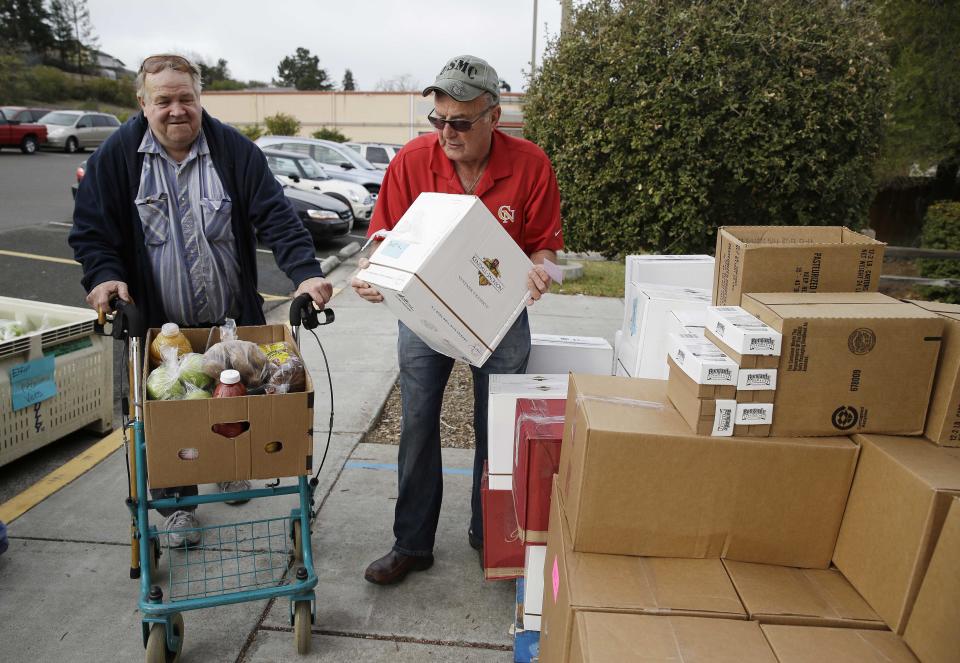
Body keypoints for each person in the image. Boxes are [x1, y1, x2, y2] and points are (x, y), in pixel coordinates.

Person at [69, 54, 332, 547]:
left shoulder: (234, 151)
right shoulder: (117, 158)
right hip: (161, 331)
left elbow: (277, 218)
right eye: (163, 100)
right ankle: (176, 507)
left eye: (185, 98)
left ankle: (230, 468)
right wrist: (104, 278)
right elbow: (91, 234)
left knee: (235, 402)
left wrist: (306, 276)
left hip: (231, 322)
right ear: (143, 102)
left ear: (199, 99)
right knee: (170, 413)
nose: (176, 110)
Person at [352, 55, 563, 585]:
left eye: (461, 123)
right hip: (425, 318)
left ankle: (488, 534)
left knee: (497, 428)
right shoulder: (412, 160)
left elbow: (545, 249)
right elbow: (382, 238)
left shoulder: (531, 164)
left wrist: (541, 271)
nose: (447, 132)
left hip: (500, 319)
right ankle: (412, 543)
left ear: (495, 117)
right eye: (438, 120)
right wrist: (370, 271)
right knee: (418, 422)